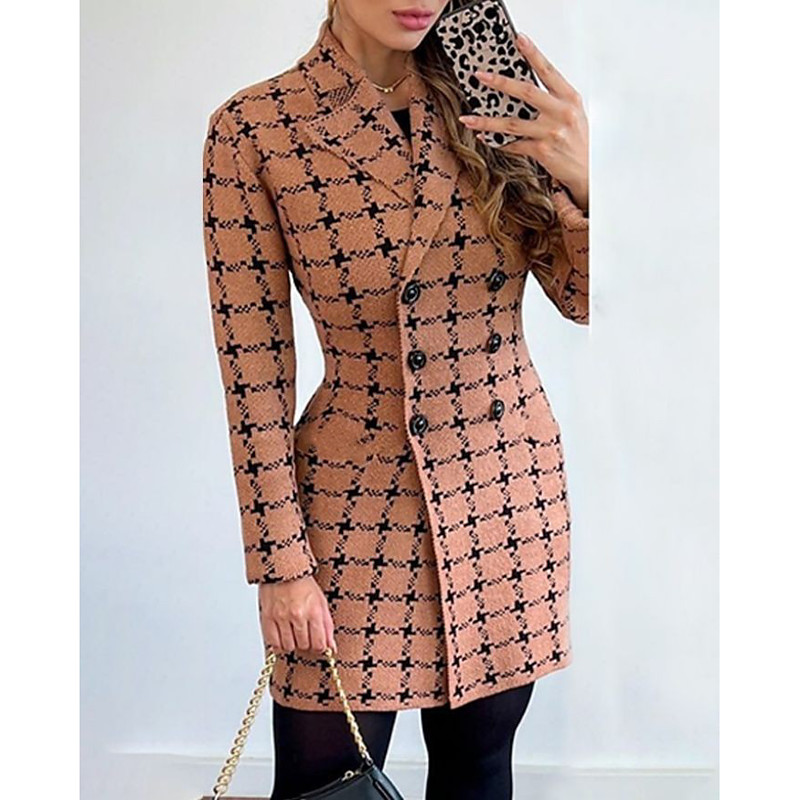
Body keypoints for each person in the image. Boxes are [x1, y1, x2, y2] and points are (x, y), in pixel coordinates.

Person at [202, 1, 589, 797]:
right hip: (348, 507)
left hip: (502, 488)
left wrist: (590, 176)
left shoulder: (496, 96)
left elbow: (585, 298)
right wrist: (281, 565)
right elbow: (253, 368)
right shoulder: (254, 130)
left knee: (479, 768)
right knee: (322, 783)